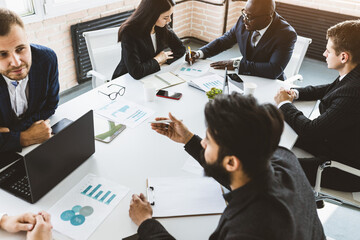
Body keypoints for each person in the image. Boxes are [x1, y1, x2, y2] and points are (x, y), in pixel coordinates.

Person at [129, 93, 325, 239]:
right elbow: (236, 172)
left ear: (231, 162)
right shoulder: (284, 158)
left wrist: (146, 222)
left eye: (208, 140)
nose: (203, 143)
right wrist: (189, 139)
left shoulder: (245, 229)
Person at [274, 20, 360, 192]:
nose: (324, 53)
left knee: (271, 166)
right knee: (274, 131)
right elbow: (330, 89)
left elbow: (311, 131)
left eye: (328, 50)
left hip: (343, 168)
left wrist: (284, 104)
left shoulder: (353, 92)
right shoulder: (353, 74)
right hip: (335, 142)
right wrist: (296, 93)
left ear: (344, 57)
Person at [186, 0, 296, 80]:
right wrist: (200, 53)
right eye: (244, 13)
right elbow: (225, 40)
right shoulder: (244, 20)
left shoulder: (286, 34)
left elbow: (273, 70)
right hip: (243, 78)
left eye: (249, 17)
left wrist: (237, 64)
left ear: (268, 17)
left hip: (269, 82)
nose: (244, 20)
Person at [0, 8, 59, 153]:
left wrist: (10, 133)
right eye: (2, 54)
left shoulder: (47, 60)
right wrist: (24, 137)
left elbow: (51, 106)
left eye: (20, 49)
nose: (16, 62)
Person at [111, 0, 186, 80]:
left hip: (149, 76)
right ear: (152, 15)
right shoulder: (129, 32)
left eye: (170, 16)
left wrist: (163, 60)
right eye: (165, 17)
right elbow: (136, 71)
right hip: (126, 79)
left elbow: (180, 49)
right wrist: (158, 60)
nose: (169, 20)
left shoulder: (161, 27)